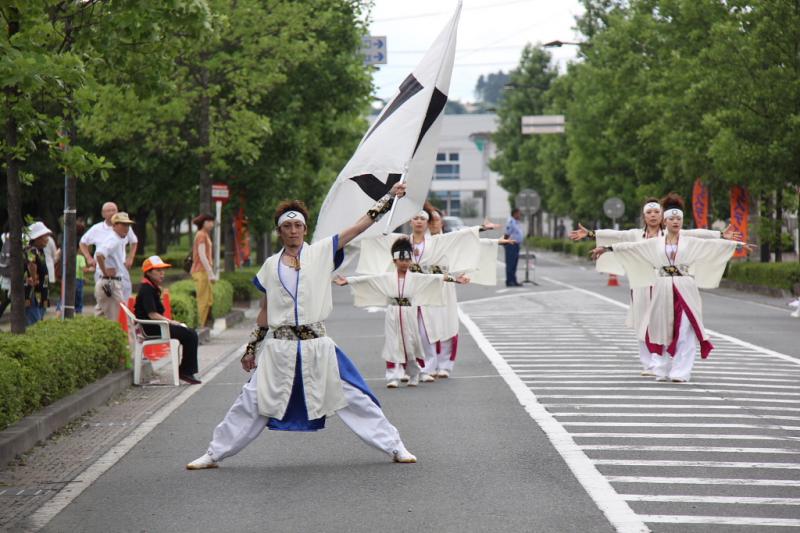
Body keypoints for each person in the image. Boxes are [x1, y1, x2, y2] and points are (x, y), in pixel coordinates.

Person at [186, 182, 418, 470]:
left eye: (298, 225)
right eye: (287, 226)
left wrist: (388, 197)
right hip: (279, 348)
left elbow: (358, 227)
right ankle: (214, 453)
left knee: (356, 397)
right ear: (280, 231)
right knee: (251, 399)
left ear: (305, 229)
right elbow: (265, 310)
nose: (293, 230)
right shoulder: (270, 265)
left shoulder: (321, 252)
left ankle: (395, 446)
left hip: (317, 345)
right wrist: (251, 349)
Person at [591, 193, 754, 383]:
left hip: (685, 287)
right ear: (665, 221)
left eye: (679, 219)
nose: (676, 222)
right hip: (662, 287)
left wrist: (737, 244)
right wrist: (607, 248)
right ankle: (660, 368)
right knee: (661, 327)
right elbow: (630, 247)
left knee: (685, 327)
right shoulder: (654, 243)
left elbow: (710, 244)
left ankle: (681, 372)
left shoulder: (690, 241)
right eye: (672, 219)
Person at [357, 207, 506, 381]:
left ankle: (428, 367)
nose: (419, 221)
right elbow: (378, 240)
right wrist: (360, 229)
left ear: (427, 223)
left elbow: (459, 238)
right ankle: (408, 368)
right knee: (407, 331)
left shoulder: (436, 242)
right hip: (408, 289)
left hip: (431, 289)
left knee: (426, 331)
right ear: (410, 222)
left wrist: (482, 228)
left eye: (422, 218)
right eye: (415, 218)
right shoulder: (401, 241)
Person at [335, 237, 468, 388]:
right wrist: (348, 281)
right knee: (392, 343)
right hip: (392, 313)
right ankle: (392, 376)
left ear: (411, 261)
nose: (404, 263)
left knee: (411, 344)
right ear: (394, 261)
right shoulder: (387, 277)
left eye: (407, 260)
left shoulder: (417, 278)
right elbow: (369, 280)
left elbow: (435, 278)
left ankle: (414, 373)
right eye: (401, 260)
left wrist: (455, 279)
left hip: (409, 313)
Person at [135, 256, 201, 384]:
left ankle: (185, 370)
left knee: (190, 333)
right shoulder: (147, 289)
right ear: (148, 272)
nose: (162, 273)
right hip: (153, 328)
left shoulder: (151, 287)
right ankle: (185, 371)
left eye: (163, 270)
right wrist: (170, 322)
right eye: (158, 270)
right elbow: (152, 314)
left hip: (158, 326)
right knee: (190, 334)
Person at [80, 202, 139, 301]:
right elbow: (84, 243)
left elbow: (134, 241)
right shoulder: (98, 230)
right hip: (103, 272)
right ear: (103, 214)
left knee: (124, 300)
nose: (112, 213)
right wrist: (89, 258)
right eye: (108, 210)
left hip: (121, 269)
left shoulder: (124, 228)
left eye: (114, 210)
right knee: (107, 301)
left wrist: (130, 257)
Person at [94, 212, 136, 320]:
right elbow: (99, 255)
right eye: (123, 224)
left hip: (107, 282)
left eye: (128, 225)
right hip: (110, 283)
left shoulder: (117, 239)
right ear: (114, 225)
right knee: (121, 320)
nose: (126, 228)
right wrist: (105, 272)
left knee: (100, 320)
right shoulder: (114, 239)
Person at [24, 222, 53, 325]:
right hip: (33, 293)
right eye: (45, 236)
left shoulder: (39, 251)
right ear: (37, 237)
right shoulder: (31, 251)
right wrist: (33, 277)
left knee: (38, 321)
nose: (47, 239)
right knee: (34, 324)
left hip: (40, 293)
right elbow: (31, 264)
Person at [191, 213, 216, 328]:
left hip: (204, 271)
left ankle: (202, 325)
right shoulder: (201, 235)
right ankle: (199, 326)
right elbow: (202, 255)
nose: (212, 224)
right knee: (202, 300)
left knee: (208, 300)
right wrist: (210, 273)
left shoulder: (205, 234)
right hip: (200, 271)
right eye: (210, 221)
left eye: (212, 221)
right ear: (204, 223)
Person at [504, 208, 524, 287]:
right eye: (519, 214)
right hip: (511, 245)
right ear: (515, 214)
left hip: (516, 245)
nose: (520, 215)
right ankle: (509, 281)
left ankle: (513, 280)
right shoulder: (511, 222)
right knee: (510, 263)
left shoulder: (516, 222)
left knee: (514, 264)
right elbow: (507, 233)